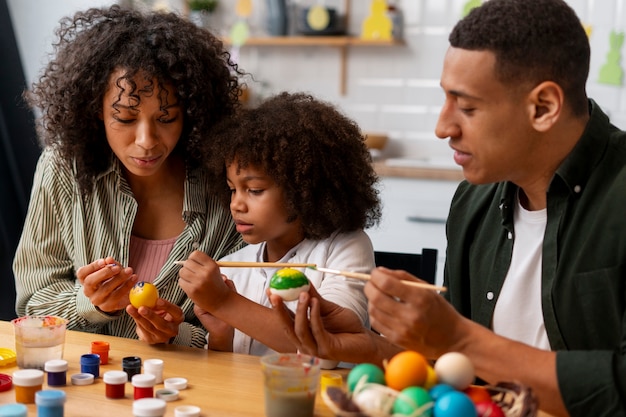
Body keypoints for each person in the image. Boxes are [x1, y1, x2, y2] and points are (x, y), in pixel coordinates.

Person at [269, 0, 626, 416]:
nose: (443, 127)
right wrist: (368, 343)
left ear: (543, 107)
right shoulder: (474, 202)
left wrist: (458, 337)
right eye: (445, 100)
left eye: (468, 107)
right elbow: (453, 368)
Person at [13, 5, 244, 348]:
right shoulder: (63, 168)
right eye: (124, 118)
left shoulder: (227, 188)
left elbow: (240, 332)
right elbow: (32, 306)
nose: (146, 141)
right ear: (96, 110)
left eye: (166, 119)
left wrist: (176, 335)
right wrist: (90, 303)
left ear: (192, 114)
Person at [177, 92, 382, 360]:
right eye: (232, 190)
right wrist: (221, 335)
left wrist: (224, 302)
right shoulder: (231, 267)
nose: (236, 204)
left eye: (254, 190)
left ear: (303, 189)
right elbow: (225, 372)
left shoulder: (344, 248)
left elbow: (330, 342)